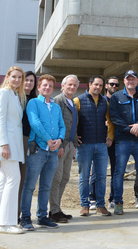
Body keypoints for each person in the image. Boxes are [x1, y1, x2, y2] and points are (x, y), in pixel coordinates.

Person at [20, 74, 66, 231]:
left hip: (52, 152)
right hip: (38, 150)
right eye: (44, 85)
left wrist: (59, 140)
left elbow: (62, 126)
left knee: (46, 186)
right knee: (30, 185)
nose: (47, 88)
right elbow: (35, 123)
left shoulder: (56, 107)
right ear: (38, 87)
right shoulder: (33, 103)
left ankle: (42, 217)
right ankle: (25, 218)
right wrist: (48, 140)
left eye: (50, 86)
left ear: (53, 89)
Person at [0, 66, 26, 235]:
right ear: (7, 77)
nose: (17, 80)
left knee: (3, 181)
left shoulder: (16, 95)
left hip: (13, 143)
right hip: (7, 143)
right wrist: (4, 144)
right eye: (14, 76)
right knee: (13, 178)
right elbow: (0, 120)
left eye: (19, 77)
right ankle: (6, 223)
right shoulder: (3, 93)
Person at [109, 69, 138, 215]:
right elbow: (114, 117)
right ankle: (118, 202)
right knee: (119, 172)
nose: (130, 81)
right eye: (128, 79)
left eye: (133, 79)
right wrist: (129, 129)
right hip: (123, 140)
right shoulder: (117, 97)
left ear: (137, 81)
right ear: (124, 81)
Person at [75, 75, 113, 217]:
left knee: (102, 177)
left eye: (100, 85)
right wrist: (74, 137)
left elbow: (110, 121)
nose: (98, 87)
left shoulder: (105, 102)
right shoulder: (78, 101)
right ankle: (85, 205)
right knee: (84, 177)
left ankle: (100, 205)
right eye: (95, 84)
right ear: (89, 85)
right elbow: (72, 121)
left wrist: (110, 137)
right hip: (84, 145)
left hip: (101, 146)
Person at [49, 75, 79, 223]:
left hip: (70, 145)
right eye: (70, 85)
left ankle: (57, 208)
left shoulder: (72, 102)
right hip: (60, 145)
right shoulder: (58, 100)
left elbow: (74, 124)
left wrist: (73, 144)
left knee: (65, 177)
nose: (72, 87)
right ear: (63, 85)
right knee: (57, 177)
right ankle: (53, 211)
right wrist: (59, 145)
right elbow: (55, 124)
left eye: (74, 85)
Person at [90, 75, 120, 211]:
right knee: (96, 171)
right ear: (106, 86)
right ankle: (93, 198)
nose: (114, 87)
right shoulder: (101, 101)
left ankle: (112, 198)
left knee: (116, 171)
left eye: (116, 85)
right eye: (111, 84)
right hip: (100, 140)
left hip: (115, 140)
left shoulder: (119, 100)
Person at [17, 70, 37, 221]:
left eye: (32, 81)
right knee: (12, 179)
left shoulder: (35, 100)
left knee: (23, 180)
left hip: (28, 142)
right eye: (27, 80)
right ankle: (9, 213)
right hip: (16, 140)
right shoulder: (16, 97)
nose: (29, 83)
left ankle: (18, 213)